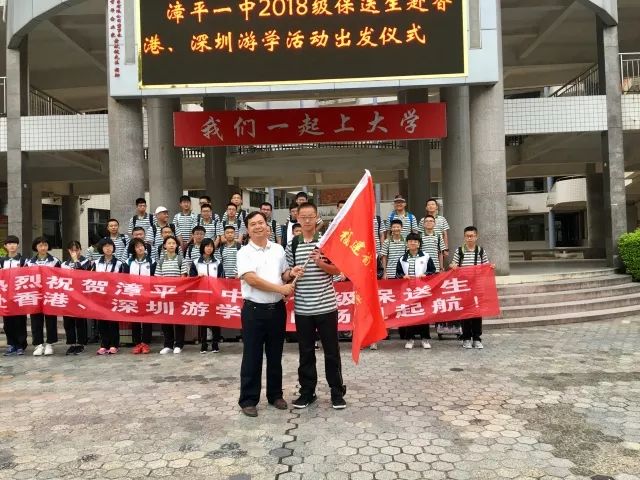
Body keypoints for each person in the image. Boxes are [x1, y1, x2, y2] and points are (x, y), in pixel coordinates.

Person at [237, 211, 298, 417]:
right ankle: (248, 399)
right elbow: (252, 279)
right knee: (252, 356)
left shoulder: (278, 249)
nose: (258, 226)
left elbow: (283, 274)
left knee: (275, 356)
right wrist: (281, 289)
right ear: (248, 229)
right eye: (253, 224)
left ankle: (275, 395)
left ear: (267, 226)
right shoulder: (244, 252)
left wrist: (291, 274)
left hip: (276, 311)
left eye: (261, 222)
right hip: (254, 311)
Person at [286, 202, 347, 410]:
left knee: (331, 351)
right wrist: (291, 273)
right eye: (303, 217)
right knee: (305, 352)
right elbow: (285, 274)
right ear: (298, 219)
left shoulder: (326, 242)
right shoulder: (292, 244)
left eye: (311, 216)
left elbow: (338, 269)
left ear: (316, 217)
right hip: (303, 308)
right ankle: (307, 392)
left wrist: (320, 263)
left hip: (327, 307)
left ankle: (337, 392)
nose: (307, 220)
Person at [449, 226, 495, 349]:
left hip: (478, 286)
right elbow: (454, 265)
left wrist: (490, 267)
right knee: (466, 313)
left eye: (472, 236)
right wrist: (453, 266)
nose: (469, 238)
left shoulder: (480, 251)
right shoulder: (459, 251)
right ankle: (466, 338)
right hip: (464, 287)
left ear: (476, 236)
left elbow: (486, 265)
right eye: (467, 236)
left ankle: (476, 338)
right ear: (464, 237)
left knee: (477, 313)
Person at [396, 232, 436, 350]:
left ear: (419, 244)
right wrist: (403, 276)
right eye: (410, 241)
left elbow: (433, 271)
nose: (412, 243)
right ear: (407, 243)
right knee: (410, 314)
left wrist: (425, 274)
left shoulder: (426, 256)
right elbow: (398, 273)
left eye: (415, 241)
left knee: (423, 314)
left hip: (422, 289)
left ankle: (425, 338)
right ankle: (410, 339)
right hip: (408, 290)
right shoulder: (402, 258)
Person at [27, 236, 61, 356]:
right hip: (35, 294)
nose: (43, 248)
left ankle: (50, 344)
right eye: (40, 245)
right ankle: (38, 344)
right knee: (36, 320)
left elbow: (60, 277)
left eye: (45, 245)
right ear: (35, 247)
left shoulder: (55, 261)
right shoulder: (29, 262)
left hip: (50, 294)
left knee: (51, 320)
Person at [189, 238, 224, 353]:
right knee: (203, 321)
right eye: (207, 246)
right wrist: (198, 277)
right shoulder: (195, 262)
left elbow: (222, 279)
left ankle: (215, 344)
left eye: (211, 246)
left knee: (216, 320)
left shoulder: (218, 262)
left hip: (215, 295)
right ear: (202, 247)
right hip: (201, 295)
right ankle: (203, 344)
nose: (209, 248)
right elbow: (191, 280)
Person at [92, 238, 125, 355]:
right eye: (105, 246)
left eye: (110, 245)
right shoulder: (95, 263)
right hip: (100, 297)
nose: (108, 248)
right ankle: (104, 344)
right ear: (101, 248)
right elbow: (91, 279)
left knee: (113, 321)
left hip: (113, 296)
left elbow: (123, 280)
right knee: (101, 322)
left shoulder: (120, 264)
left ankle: (114, 344)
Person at [125, 238, 156, 354]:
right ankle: (137, 343)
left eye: (141, 245)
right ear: (133, 249)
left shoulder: (152, 261)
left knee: (147, 320)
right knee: (135, 320)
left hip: (147, 295)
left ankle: (146, 343)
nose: (140, 248)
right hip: (133, 294)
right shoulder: (128, 262)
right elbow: (124, 278)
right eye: (137, 246)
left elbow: (155, 278)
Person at [156, 236, 187, 354]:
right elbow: (158, 278)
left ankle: (179, 344)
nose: (171, 245)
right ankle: (168, 344)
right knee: (166, 320)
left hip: (177, 294)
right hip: (164, 294)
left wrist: (176, 289)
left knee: (179, 320)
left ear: (177, 246)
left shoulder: (181, 259)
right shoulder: (161, 260)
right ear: (164, 246)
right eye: (168, 243)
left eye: (173, 243)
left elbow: (183, 277)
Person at [61, 241, 92, 355]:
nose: (74, 252)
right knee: (68, 321)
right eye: (72, 250)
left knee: (80, 320)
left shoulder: (87, 262)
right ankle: (71, 343)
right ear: (68, 251)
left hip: (81, 295)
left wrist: (75, 261)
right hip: (68, 295)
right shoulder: (64, 264)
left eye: (77, 250)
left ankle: (81, 343)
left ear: (80, 250)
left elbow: (82, 275)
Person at [0, 235, 28, 356]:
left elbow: (28, 276)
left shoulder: (23, 260)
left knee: (20, 321)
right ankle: (11, 344)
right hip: (6, 296)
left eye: (14, 243)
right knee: (7, 322)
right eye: (9, 243)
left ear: (17, 245)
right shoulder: (1, 261)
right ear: (5, 246)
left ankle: (21, 345)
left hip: (19, 296)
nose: (12, 246)